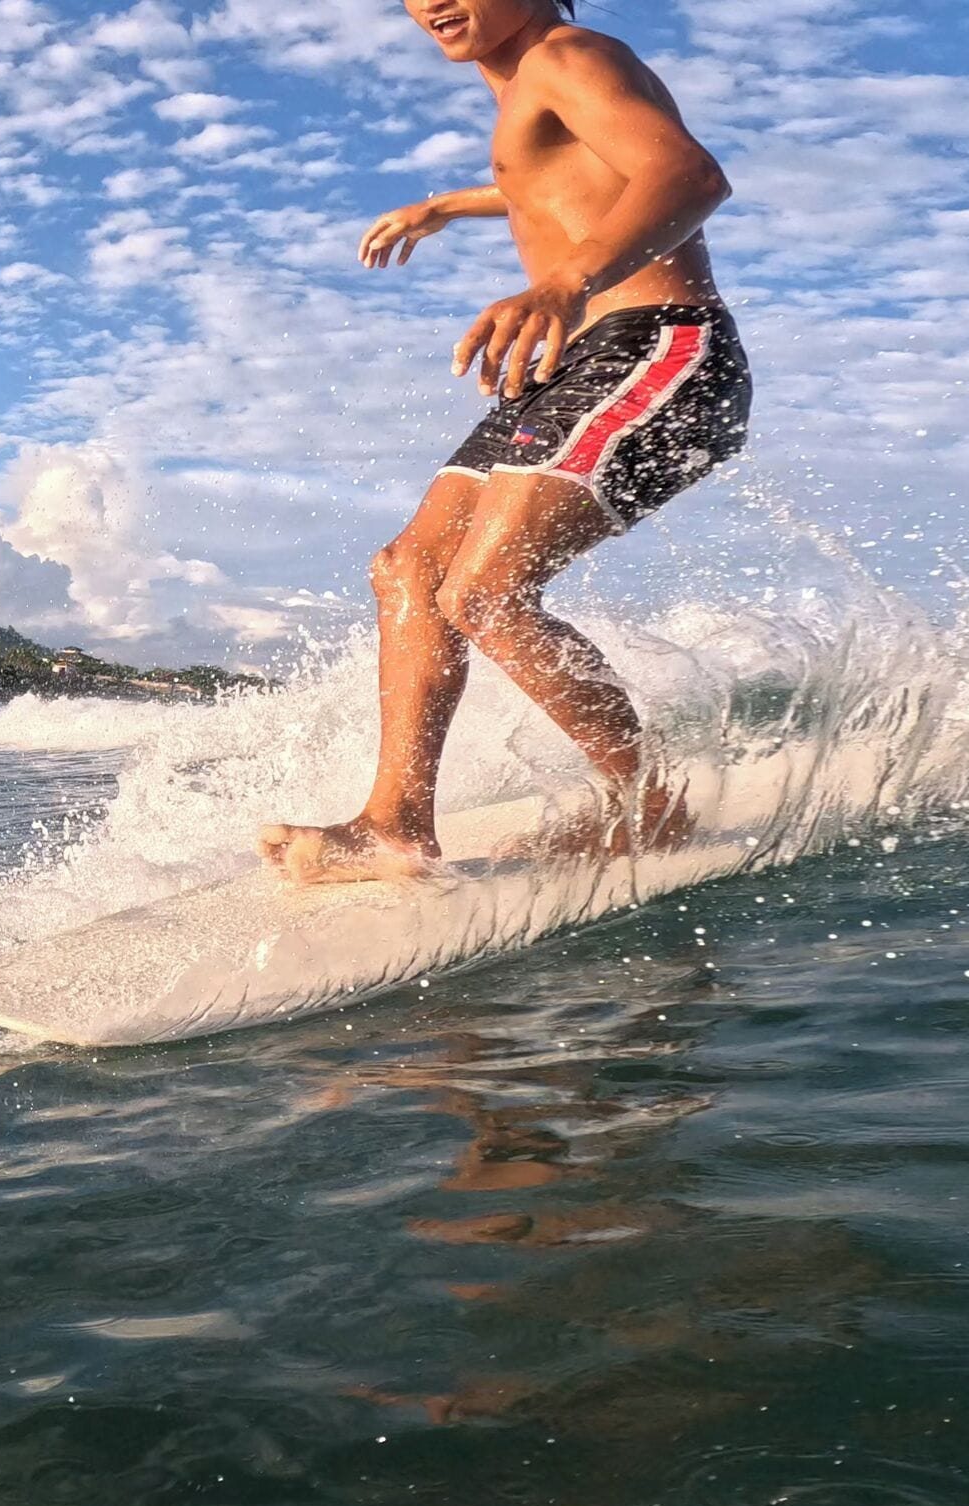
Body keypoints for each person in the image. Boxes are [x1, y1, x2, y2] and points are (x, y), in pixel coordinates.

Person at [259, 0, 749, 884]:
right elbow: (552, 181)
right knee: (409, 570)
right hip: (583, 357)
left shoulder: (570, 53)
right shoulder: (529, 89)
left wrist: (567, 279)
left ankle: (651, 806)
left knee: (486, 589)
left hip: (663, 346)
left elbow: (688, 175)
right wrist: (449, 204)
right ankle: (394, 824)